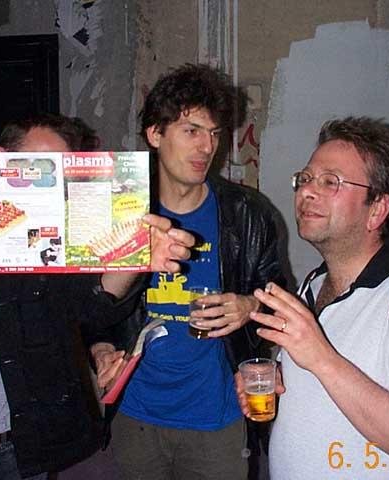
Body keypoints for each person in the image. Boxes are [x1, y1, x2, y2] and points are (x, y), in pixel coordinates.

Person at [0, 113, 194, 480]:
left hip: (15, 455)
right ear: (0, 161)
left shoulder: (58, 246)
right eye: (37, 168)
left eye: (59, 175)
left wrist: (134, 259)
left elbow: (94, 309)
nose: (46, 184)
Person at [238, 117, 389, 479]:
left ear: (377, 209)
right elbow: (326, 384)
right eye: (305, 178)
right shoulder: (314, 283)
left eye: (330, 181)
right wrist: (275, 379)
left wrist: (320, 357)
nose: (307, 191)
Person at [89, 63, 284, 479]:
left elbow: (280, 300)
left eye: (214, 133)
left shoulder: (247, 213)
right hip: (136, 414)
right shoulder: (120, 212)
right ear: (155, 134)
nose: (206, 146)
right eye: (192, 130)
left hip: (216, 418)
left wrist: (249, 305)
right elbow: (91, 304)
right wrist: (100, 347)